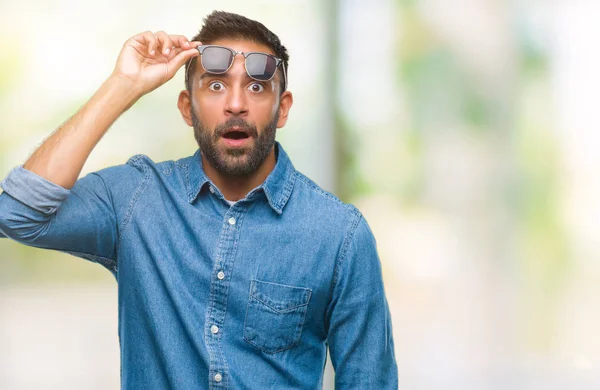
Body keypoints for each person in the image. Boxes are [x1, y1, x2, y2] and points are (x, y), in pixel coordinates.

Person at [0, 10, 398, 389]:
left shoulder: (339, 235)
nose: (236, 103)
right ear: (187, 108)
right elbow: (16, 214)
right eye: (216, 84)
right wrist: (123, 84)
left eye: (257, 87)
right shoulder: (138, 199)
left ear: (283, 109)